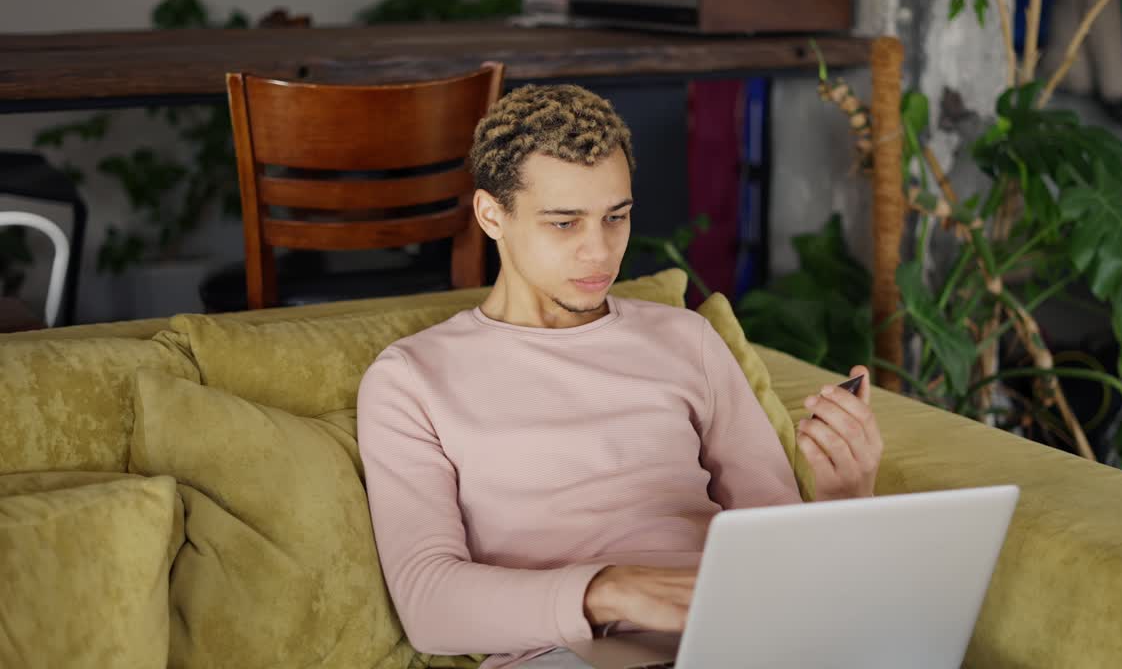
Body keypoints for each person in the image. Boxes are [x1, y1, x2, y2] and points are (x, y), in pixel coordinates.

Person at [357, 84, 884, 669]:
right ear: (491, 215)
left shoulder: (686, 338)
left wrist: (844, 500)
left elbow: (773, 542)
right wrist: (612, 589)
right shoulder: (412, 378)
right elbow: (429, 603)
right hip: (572, 655)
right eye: (564, 223)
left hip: (737, 636)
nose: (600, 252)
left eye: (616, 217)